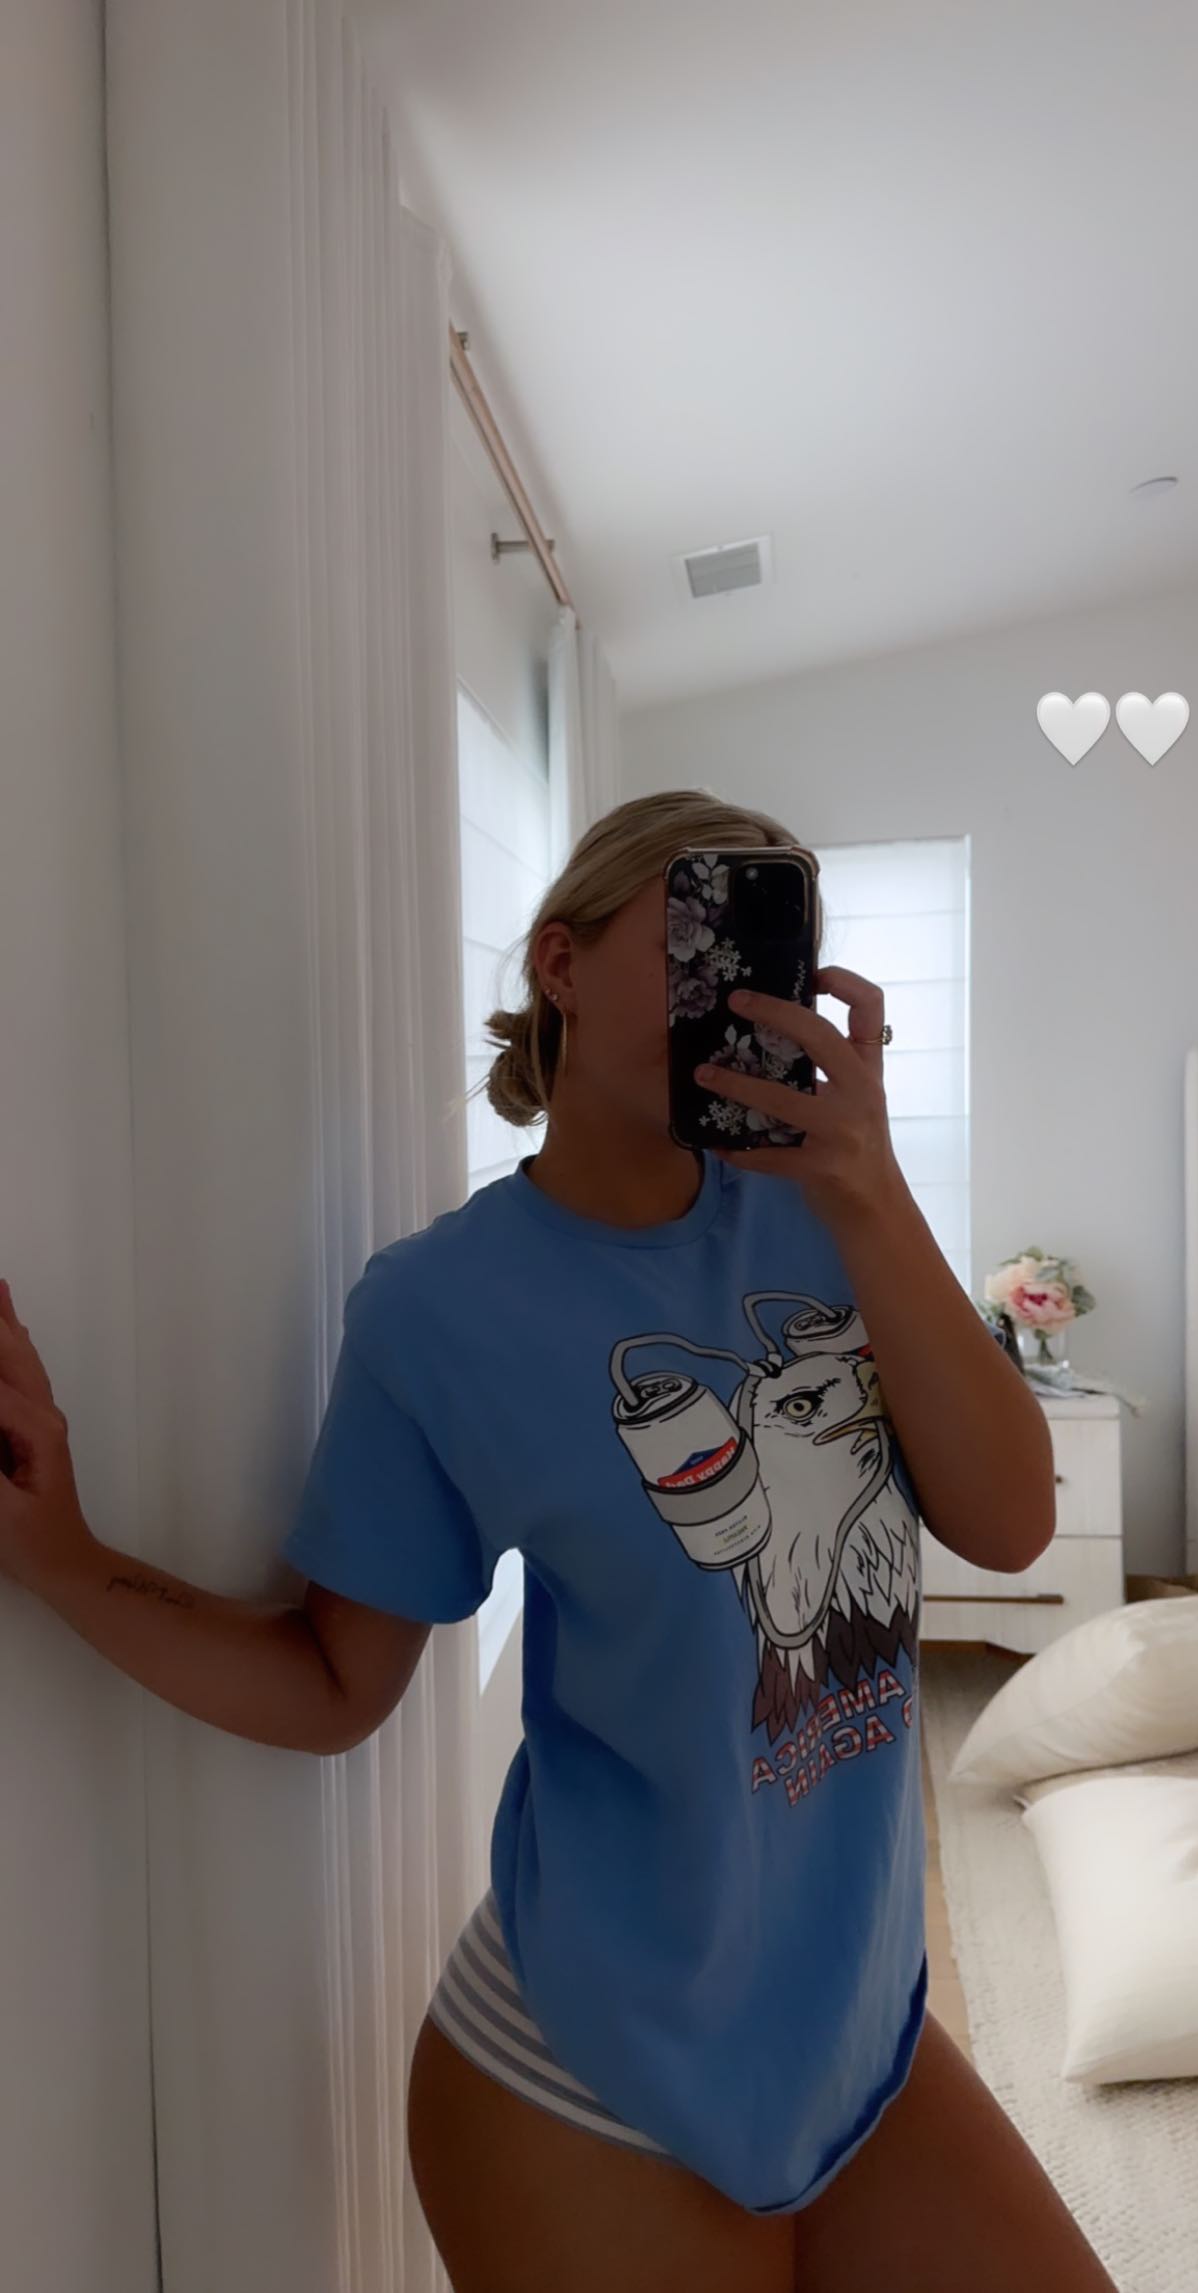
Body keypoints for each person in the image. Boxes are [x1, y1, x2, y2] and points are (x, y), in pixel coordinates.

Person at [0, 788, 1120, 2292]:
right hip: (583, 2080)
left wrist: (871, 1189)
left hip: (855, 2034)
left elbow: (1010, 1520)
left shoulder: (831, 1220)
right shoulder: (439, 1307)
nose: (736, 996)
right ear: (560, 962)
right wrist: (63, 1555)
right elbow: (332, 1685)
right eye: (694, 941)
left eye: (770, 960)